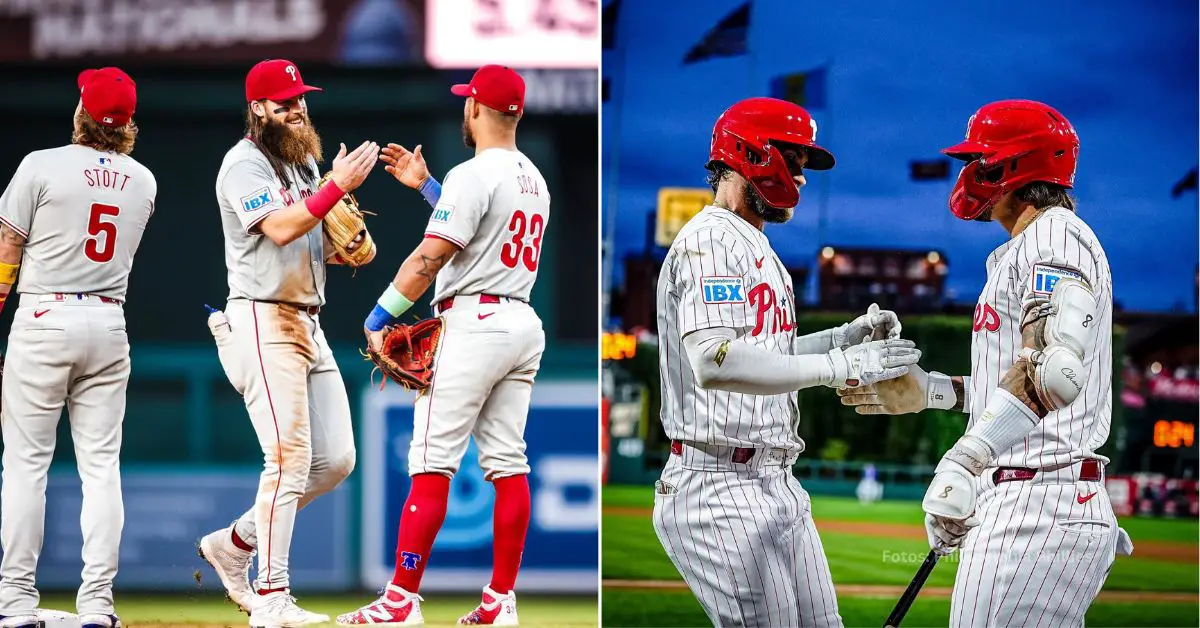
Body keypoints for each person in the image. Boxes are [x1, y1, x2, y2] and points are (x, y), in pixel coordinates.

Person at [839, 99, 1134, 627]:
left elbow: (1052, 373)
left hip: (1039, 508)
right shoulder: (1028, 246)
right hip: (1030, 498)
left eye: (980, 159)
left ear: (1012, 168)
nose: (969, 172)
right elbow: (1022, 379)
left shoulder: (1055, 237)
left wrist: (966, 460)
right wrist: (934, 391)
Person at [652, 97, 921, 628]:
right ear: (749, 154)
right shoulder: (710, 238)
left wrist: (845, 338)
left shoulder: (758, 246)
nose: (799, 178)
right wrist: (844, 364)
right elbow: (715, 360)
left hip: (773, 478)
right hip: (717, 482)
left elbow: (766, 359)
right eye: (792, 160)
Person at [337, 65, 547, 627]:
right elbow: (485, 234)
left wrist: (380, 316)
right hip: (522, 322)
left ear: (475, 108)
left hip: (473, 321)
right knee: (508, 463)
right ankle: (501, 602)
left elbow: (430, 259)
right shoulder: (533, 178)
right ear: (517, 113)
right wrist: (429, 188)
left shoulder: (473, 174)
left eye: (466, 102)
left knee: (431, 463)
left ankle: (401, 600)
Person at [196, 58, 379, 626]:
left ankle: (234, 544)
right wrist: (336, 187)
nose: (297, 108)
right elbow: (278, 228)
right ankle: (271, 599)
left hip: (308, 321)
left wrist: (345, 235)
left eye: (301, 98)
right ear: (258, 109)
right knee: (288, 460)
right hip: (261, 319)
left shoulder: (302, 164)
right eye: (284, 102)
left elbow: (315, 232)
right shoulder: (243, 165)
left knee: (336, 461)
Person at [0, 67, 154, 628]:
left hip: (45, 313)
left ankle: (15, 603)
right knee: (101, 469)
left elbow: (6, 250)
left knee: (25, 467)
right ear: (128, 122)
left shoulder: (40, 164)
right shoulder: (143, 180)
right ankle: (97, 605)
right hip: (108, 321)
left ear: (80, 113)